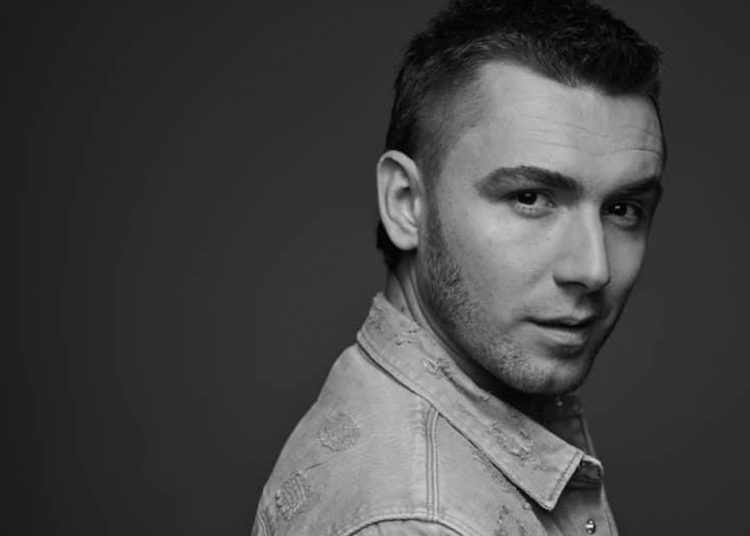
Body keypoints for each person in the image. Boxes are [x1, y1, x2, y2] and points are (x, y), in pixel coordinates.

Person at [252, 0, 664, 534]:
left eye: (622, 209)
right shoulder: (418, 522)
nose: (593, 269)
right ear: (406, 203)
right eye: (530, 197)